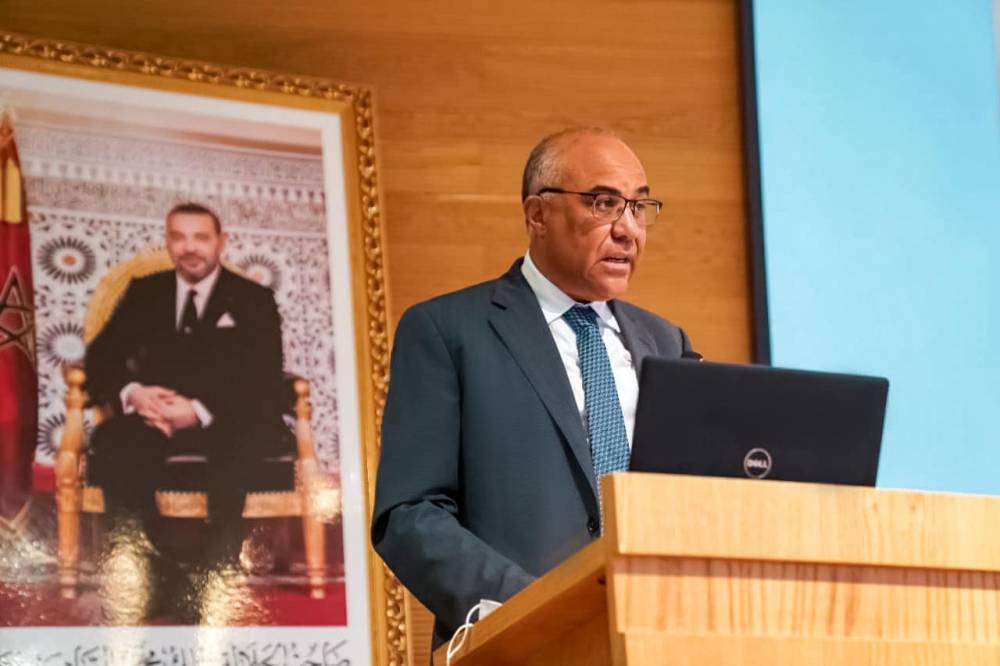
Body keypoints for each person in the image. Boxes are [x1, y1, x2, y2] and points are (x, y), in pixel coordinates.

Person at [371, 128, 696, 648]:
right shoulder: (448, 331)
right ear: (537, 214)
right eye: (604, 203)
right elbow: (410, 514)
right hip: (518, 643)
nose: (628, 230)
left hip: (657, 639)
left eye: (639, 207)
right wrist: (534, 608)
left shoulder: (667, 344)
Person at [84, 202, 289, 620]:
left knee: (241, 442)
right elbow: (99, 361)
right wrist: (135, 393)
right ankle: (154, 568)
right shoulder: (146, 291)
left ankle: (215, 572)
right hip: (155, 415)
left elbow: (265, 378)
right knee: (113, 439)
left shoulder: (253, 299)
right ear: (168, 242)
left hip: (228, 417)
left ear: (221, 242)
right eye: (178, 237)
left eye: (200, 237)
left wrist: (197, 410)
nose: (189, 247)